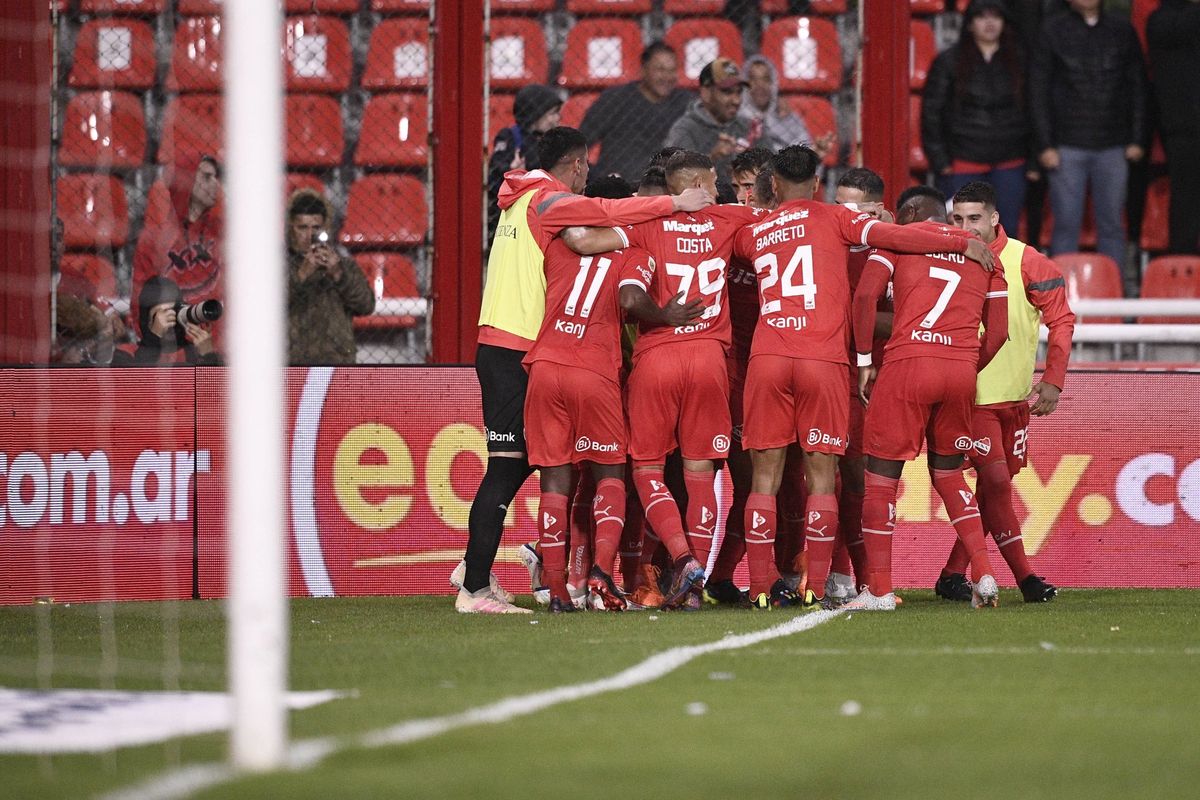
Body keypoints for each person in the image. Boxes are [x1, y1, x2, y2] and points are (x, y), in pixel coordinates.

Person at [454, 127, 713, 614]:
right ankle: (475, 584)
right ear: (575, 166)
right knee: (512, 472)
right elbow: (604, 215)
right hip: (521, 346)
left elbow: (584, 232)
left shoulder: (517, 198)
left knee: (543, 466)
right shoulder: (545, 202)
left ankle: (487, 566)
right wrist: (673, 207)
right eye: (584, 170)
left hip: (520, 347)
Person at [731, 146, 997, 610]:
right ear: (817, 183)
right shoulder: (837, 219)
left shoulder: (752, 232)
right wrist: (961, 242)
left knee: (764, 479)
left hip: (768, 355)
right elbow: (898, 237)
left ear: (772, 186)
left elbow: (727, 232)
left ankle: (759, 586)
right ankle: (817, 585)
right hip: (824, 360)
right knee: (822, 478)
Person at [564, 151, 766, 609]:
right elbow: (779, 221)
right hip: (711, 360)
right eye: (713, 183)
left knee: (647, 471)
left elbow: (580, 240)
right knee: (701, 475)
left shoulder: (645, 225)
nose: (719, 191)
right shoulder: (728, 219)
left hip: (656, 357)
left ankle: (679, 559)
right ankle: (692, 585)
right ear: (694, 183)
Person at [850, 185, 1009, 611]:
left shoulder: (897, 243)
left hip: (907, 365)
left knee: (881, 480)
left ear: (913, 213)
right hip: (959, 370)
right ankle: (984, 573)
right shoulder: (983, 251)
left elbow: (865, 297)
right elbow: (999, 333)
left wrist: (866, 359)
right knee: (951, 474)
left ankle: (879, 591)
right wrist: (964, 367)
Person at [935, 180, 1075, 604]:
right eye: (957, 219)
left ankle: (952, 573)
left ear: (995, 219)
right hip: (969, 399)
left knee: (993, 491)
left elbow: (1062, 320)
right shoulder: (941, 255)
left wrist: (1053, 379)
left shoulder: (1027, 261)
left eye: (974, 218)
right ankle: (1025, 578)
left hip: (1013, 403)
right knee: (995, 482)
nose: (966, 226)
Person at [1030, 0, 1148, 290]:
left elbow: (1138, 86)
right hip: (1066, 146)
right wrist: (1045, 144)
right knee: (1065, 227)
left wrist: (1137, 137)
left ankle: (1114, 301)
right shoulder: (1052, 30)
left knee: (1112, 228)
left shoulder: (1122, 30)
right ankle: (1059, 302)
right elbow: (1038, 90)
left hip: (1114, 144)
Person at [921, 0, 1032, 238]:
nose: (989, 23)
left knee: (1006, 231)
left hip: (1011, 160)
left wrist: (1032, 160)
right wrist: (941, 161)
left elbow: (1034, 110)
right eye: (982, 17)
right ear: (970, 24)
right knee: (963, 233)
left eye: (996, 17)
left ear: (1004, 22)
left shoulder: (1022, 59)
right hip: (963, 161)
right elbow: (932, 112)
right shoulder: (949, 61)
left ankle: (1006, 276)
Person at [132, 152, 224, 340]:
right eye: (207, 177)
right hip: (171, 343)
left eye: (216, 177)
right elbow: (140, 299)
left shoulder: (224, 231)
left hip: (218, 341)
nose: (216, 184)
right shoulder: (155, 238)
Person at [580, 42, 693, 183]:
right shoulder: (615, 99)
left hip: (666, 188)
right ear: (643, 70)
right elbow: (581, 142)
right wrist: (595, 175)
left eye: (672, 70)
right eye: (660, 69)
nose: (667, 77)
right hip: (618, 188)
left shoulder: (685, 103)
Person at [286, 189, 375, 365]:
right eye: (302, 227)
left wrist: (338, 274)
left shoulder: (344, 265)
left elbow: (366, 305)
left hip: (335, 362)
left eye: (316, 228)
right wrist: (301, 274)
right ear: (291, 229)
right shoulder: (275, 266)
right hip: (290, 363)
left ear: (325, 228)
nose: (309, 235)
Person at [1147, 0, 1200, 255]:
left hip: (1181, 125)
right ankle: (1183, 267)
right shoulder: (1163, 19)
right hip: (1183, 127)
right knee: (1185, 201)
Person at [486, 84, 562, 241]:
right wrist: (512, 170)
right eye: (552, 113)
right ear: (536, 113)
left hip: (545, 208)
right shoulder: (510, 137)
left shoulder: (556, 139)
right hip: (516, 214)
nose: (557, 118)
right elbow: (496, 167)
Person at [665, 58, 753, 183]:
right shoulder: (685, 130)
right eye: (727, 92)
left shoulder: (749, 127)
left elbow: (771, 173)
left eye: (739, 92)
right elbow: (677, 181)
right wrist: (713, 158)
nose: (736, 101)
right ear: (706, 92)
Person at [739, 54, 833, 160]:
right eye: (753, 79)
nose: (760, 85)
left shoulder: (789, 119)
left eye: (766, 79)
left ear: (773, 83)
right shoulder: (735, 118)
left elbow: (805, 154)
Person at [118, 276, 219, 366]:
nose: (170, 321)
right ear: (147, 320)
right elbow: (140, 383)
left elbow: (212, 386)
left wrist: (208, 356)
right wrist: (153, 339)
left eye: (174, 312)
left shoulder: (195, 352)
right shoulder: (127, 353)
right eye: (162, 314)